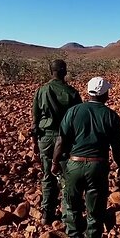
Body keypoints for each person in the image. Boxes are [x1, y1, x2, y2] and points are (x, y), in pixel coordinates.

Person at [52, 77, 120, 238]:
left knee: (72, 206)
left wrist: (55, 162)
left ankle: (74, 234)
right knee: (96, 210)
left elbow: (61, 141)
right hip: (97, 167)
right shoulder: (111, 115)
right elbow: (117, 148)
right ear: (105, 94)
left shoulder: (74, 111)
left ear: (89, 92)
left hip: (74, 165)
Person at [30, 59, 82, 225]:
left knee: (48, 175)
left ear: (50, 71)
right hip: (66, 138)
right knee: (67, 176)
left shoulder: (41, 91)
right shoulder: (72, 93)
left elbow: (35, 120)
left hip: (45, 138)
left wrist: (34, 142)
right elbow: (78, 120)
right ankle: (68, 217)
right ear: (65, 71)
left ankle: (47, 213)